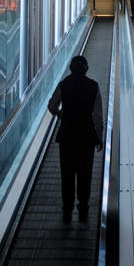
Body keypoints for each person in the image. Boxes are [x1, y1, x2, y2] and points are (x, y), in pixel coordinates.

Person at [47, 55, 104, 222]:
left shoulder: (63, 84)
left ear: (71, 69)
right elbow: (98, 115)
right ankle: (83, 209)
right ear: (86, 69)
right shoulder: (93, 86)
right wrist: (99, 136)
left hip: (67, 136)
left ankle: (67, 210)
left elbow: (52, 105)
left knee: (67, 174)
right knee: (85, 174)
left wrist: (60, 114)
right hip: (86, 137)